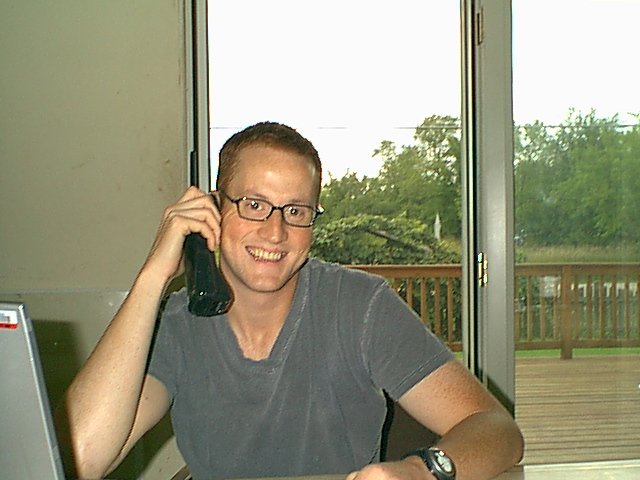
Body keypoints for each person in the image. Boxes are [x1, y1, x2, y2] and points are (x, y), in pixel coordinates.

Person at [64, 122, 523, 480]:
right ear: (214, 209)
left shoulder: (360, 306)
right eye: (254, 204)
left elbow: (498, 429)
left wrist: (420, 471)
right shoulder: (177, 325)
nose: (275, 231)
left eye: (296, 211)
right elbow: (81, 458)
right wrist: (153, 277)